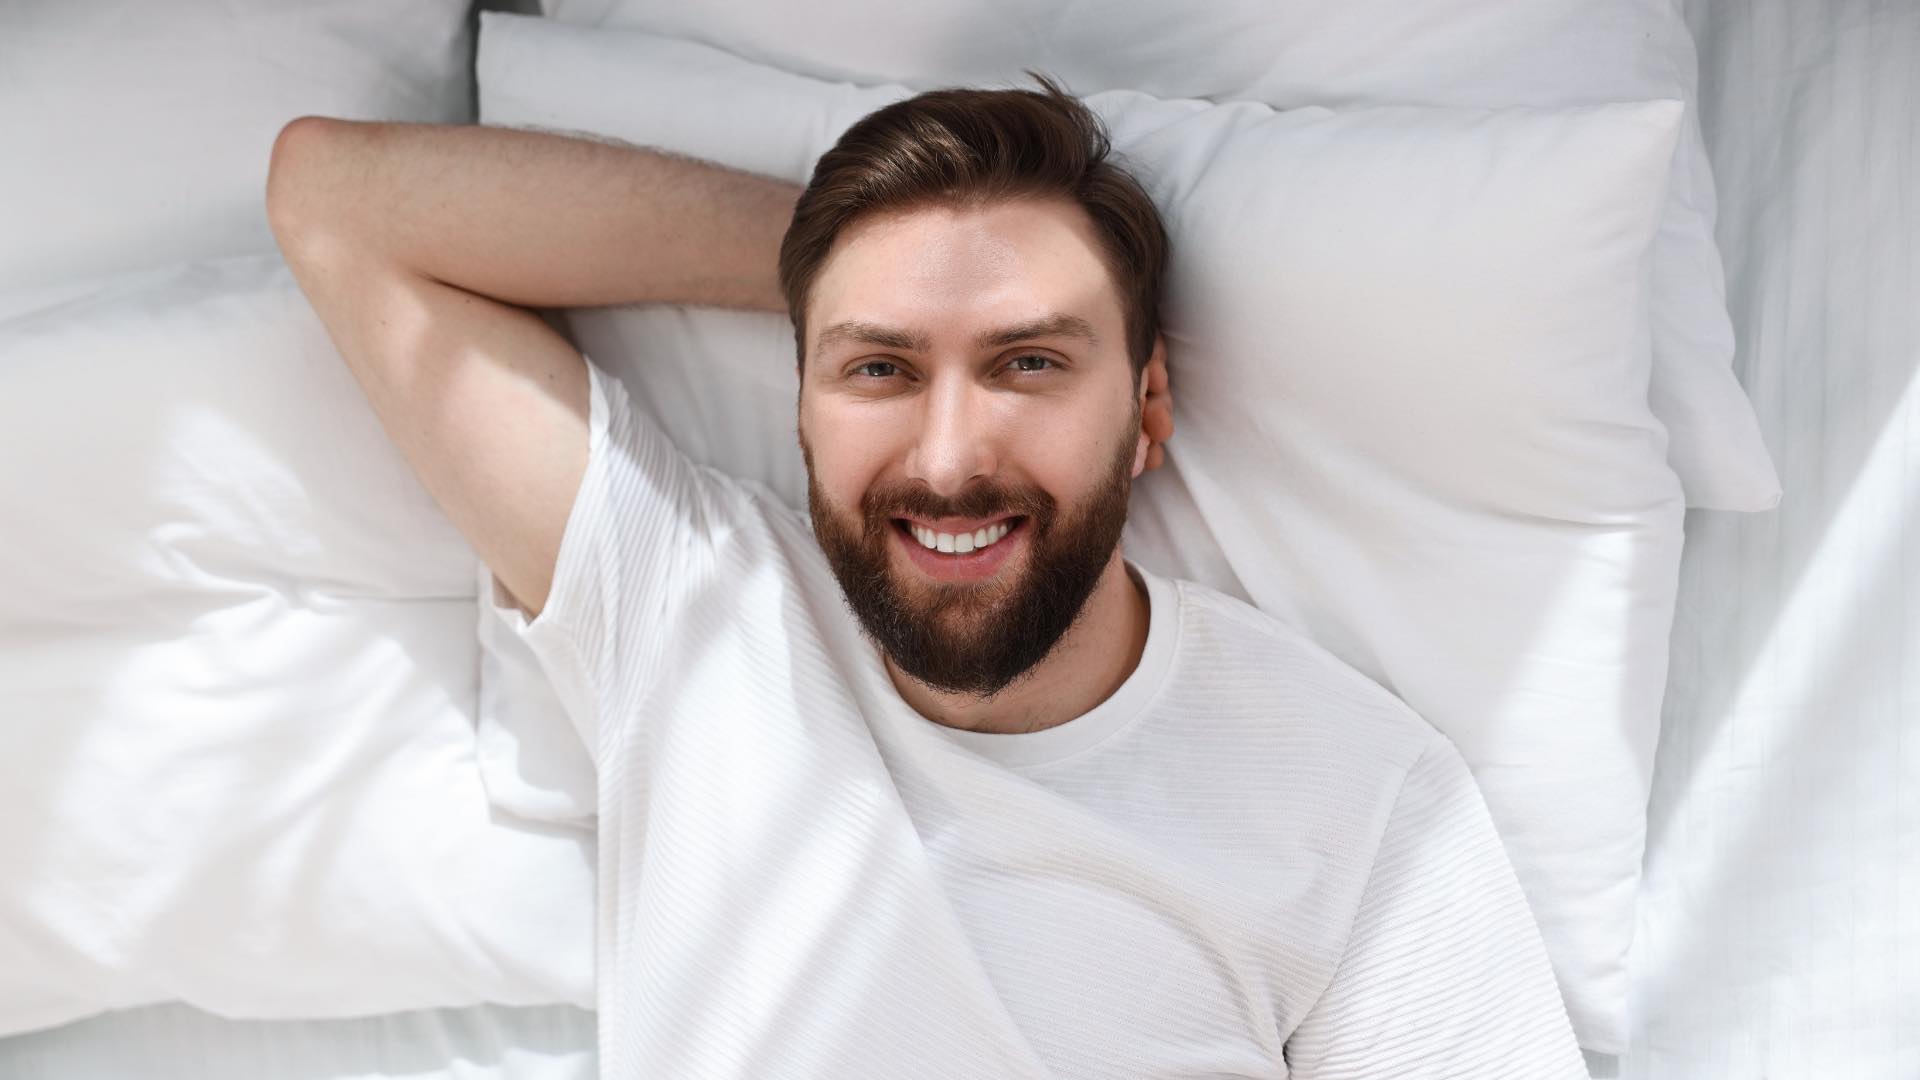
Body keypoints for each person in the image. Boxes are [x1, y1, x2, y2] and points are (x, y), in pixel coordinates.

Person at [265, 77, 1588, 1079]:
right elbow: (341, 203)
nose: (950, 458)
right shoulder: (692, 615)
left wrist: (886, 299)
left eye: (1028, 363)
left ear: (1147, 409)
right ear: (800, 408)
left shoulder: (1360, 801)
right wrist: (839, 259)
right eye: (880, 369)